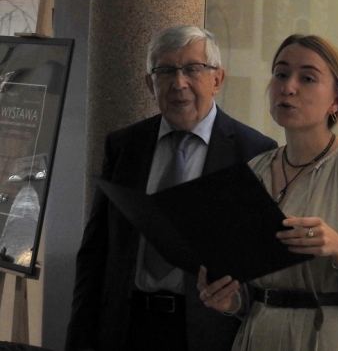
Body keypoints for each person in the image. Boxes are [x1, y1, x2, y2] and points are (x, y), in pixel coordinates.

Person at [67, 26, 278, 351]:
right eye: (165, 71)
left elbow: (263, 268)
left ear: (217, 79)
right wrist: (79, 340)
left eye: (192, 69)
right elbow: (96, 252)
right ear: (149, 84)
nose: (179, 83)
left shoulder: (254, 152)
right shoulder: (124, 146)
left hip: (208, 334)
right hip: (125, 328)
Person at [197, 34, 338, 351]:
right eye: (281, 74)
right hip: (258, 333)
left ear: (336, 100)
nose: (288, 87)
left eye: (307, 78)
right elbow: (252, 288)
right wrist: (229, 299)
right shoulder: (256, 169)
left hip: (326, 335)